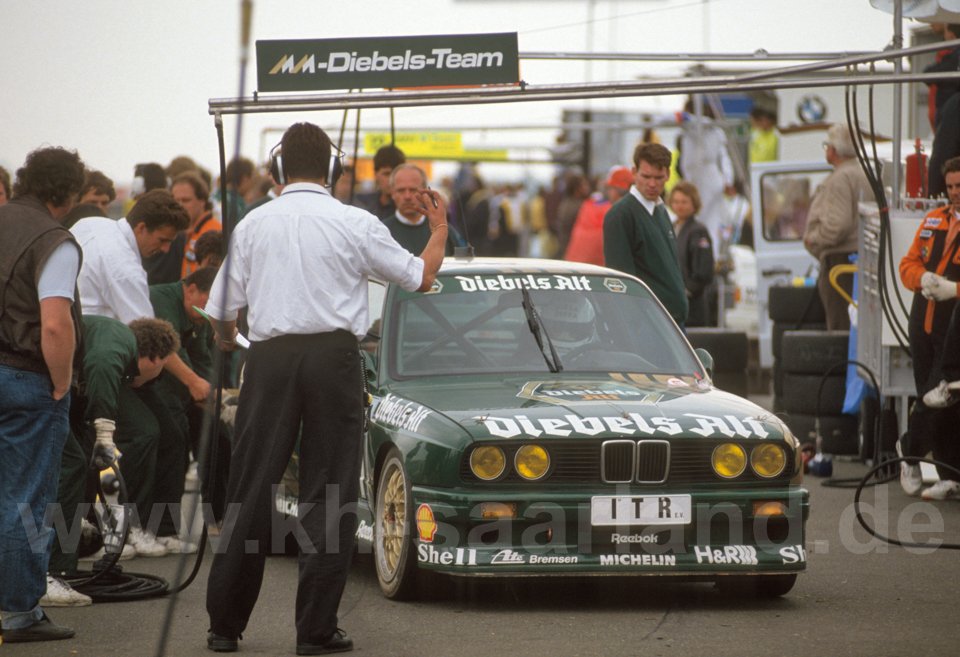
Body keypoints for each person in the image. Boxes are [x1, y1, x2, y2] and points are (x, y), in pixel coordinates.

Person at [203, 121, 447, 655]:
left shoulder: (253, 223)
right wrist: (438, 228)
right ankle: (314, 630)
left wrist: (229, 338)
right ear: (333, 169)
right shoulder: (355, 221)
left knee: (250, 485)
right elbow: (422, 277)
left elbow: (221, 309)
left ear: (279, 168)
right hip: (333, 359)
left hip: (269, 359)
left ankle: (224, 626)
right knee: (330, 491)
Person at [0, 145, 85, 643]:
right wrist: (61, 380)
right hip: (26, 377)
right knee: (24, 501)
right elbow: (55, 323)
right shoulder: (55, 240)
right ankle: (19, 614)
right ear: (68, 192)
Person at [47, 316, 181, 601]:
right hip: (33, 382)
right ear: (155, 360)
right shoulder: (117, 343)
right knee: (72, 464)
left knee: (79, 458)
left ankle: (75, 537)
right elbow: (102, 363)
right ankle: (56, 570)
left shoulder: (115, 339)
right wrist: (105, 433)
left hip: (48, 382)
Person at [898, 156, 960, 501]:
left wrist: (955, 289)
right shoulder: (934, 219)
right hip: (922, 321)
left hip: (955, 330)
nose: (954, 192)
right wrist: (921, 277)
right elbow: (907, 263)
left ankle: (909, 451)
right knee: (931, 395)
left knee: (937, 397)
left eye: (959, 186)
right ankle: (949, 475)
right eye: (950, 186)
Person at [603, 142, 688, 328]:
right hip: (648, 326)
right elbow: (621, 283)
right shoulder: (621, 215)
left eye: (658, 177)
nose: (652, 184)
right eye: (646, 176)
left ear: (667, 175)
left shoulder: (661, 211)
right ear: (634, 173)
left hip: (671, 323)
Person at [802, 123, 873, 331]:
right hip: (861, 256)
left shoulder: (840, 178)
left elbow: (837, 225)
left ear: (833, 150)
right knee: (857, 323)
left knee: (840, 323)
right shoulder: (865, 173)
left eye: (827, 146)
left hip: (840, 262)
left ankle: (842, 354)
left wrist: (814, 238)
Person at [677, 97, 735, 258]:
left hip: (706, 179)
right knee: (706, 220)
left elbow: (723, 157)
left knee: (705, 221)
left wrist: (728, 179)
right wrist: (728, 179)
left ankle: (707, 256)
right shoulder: (695, 129)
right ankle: (703, 255)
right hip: (698, 178)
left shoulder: (705, 127)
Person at [564, 166, 632, 266]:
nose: (608, 192)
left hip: (573, 265)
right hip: (598, 270)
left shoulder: (588, 205)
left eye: (609, 188)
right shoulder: (620, 213)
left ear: (616, 190)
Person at [383, 163, 457, 255]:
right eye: (401, 190)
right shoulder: (381, 231)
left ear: (425, 191)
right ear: (392, 193)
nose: (407, 196)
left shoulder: (443, 230)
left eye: (413, 190)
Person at [669, 182, 715, 327]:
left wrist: (687, 291)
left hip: (693, 306)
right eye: (676, 201)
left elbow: (704, 270)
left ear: (694, 204)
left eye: (684, 202)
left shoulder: (698, 231)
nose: (679, 206)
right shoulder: (671, 227)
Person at [171, 171, 221, 278]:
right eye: (176, 201)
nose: (180, 206)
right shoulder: (185, 233)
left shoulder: (213, 232)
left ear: (202, 201)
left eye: (186, 200)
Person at [353, 144, 405, 220]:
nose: (391, 179)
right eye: (386, 174)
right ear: (375, 174)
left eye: (395, 174)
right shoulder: (362, 204)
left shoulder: (410, 208)